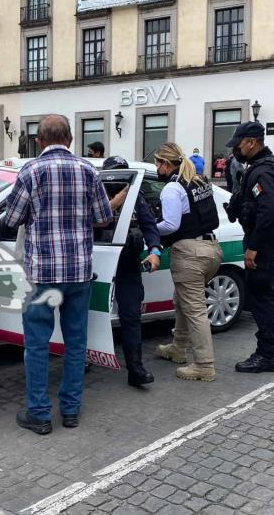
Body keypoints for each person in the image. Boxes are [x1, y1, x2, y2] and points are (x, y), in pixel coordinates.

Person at [4, 114, 112, 434]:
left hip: (41, 274)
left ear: (40, 141)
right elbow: (104, 218)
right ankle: (70, 410)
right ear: (70, 140)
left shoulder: (31, 172)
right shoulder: (88, 171)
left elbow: (12, 219)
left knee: (37, 345)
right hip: (79, 272)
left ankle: (38, 413)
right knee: (76, 343)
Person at [224, 121, 274, 373]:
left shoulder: (263, 171)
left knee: (259, 297)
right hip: (268, 238)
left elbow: (268, 210)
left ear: (252, 142)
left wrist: (253, 246)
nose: (235, 150)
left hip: (263, 240)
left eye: (238, 145)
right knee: (263, 295)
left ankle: (265, 355)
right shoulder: (266, 165)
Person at [152, 143, 223, 382]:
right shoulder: (199, 181)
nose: (156, 167)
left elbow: (170, 225)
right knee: (182, 300)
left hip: (189, 252)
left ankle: (204, 365)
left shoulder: (172, 188)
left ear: (166, 163)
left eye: (157, 162)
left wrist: (147, 229)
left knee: (194, 309)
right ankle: (178, 348)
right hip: (211, 249)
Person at [103, 156, 161, 387]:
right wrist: (116, 202)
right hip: (100, 265)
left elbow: (149, 225)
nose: (119, 179)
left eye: (123, 174)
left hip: (128, 263)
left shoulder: (136, 197)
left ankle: (135, 368)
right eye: (115, 174)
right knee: (90, 315)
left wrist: (155, 250)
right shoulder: (96, 195)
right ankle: (85, 359)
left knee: (131, 315)